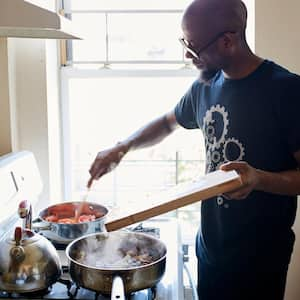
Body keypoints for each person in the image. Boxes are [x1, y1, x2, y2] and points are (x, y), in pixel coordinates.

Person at [88, 0, 300, 299]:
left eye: (193, 47)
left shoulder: (287, 90)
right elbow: (166, 122)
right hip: (211, 249)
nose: (187, 55)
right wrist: (122, 147)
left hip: (260, 260)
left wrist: (259, 178)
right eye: (184, 43)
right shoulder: (205, 85)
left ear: (228, 40)